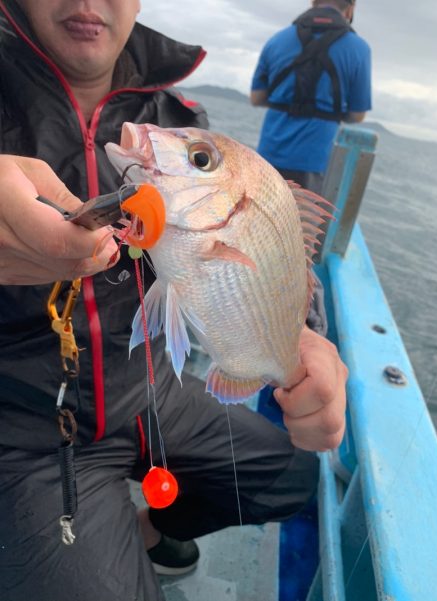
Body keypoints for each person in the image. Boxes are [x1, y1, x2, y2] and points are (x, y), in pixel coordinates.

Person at [0, 2, 348, 600]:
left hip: (154, 388)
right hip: (34, 427)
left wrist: (302, 333)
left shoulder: (176, 116)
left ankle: (150, 530)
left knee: (293, 474)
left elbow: (262, 260)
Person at [250, 0, 371, 194]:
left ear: (313, 2)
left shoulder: (277, 39)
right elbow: (358, 115)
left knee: (261, 219)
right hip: (314, 160)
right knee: (303, 222)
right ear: (350, 9)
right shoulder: (359, 48)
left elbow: (256, 97)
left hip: (268, 154)